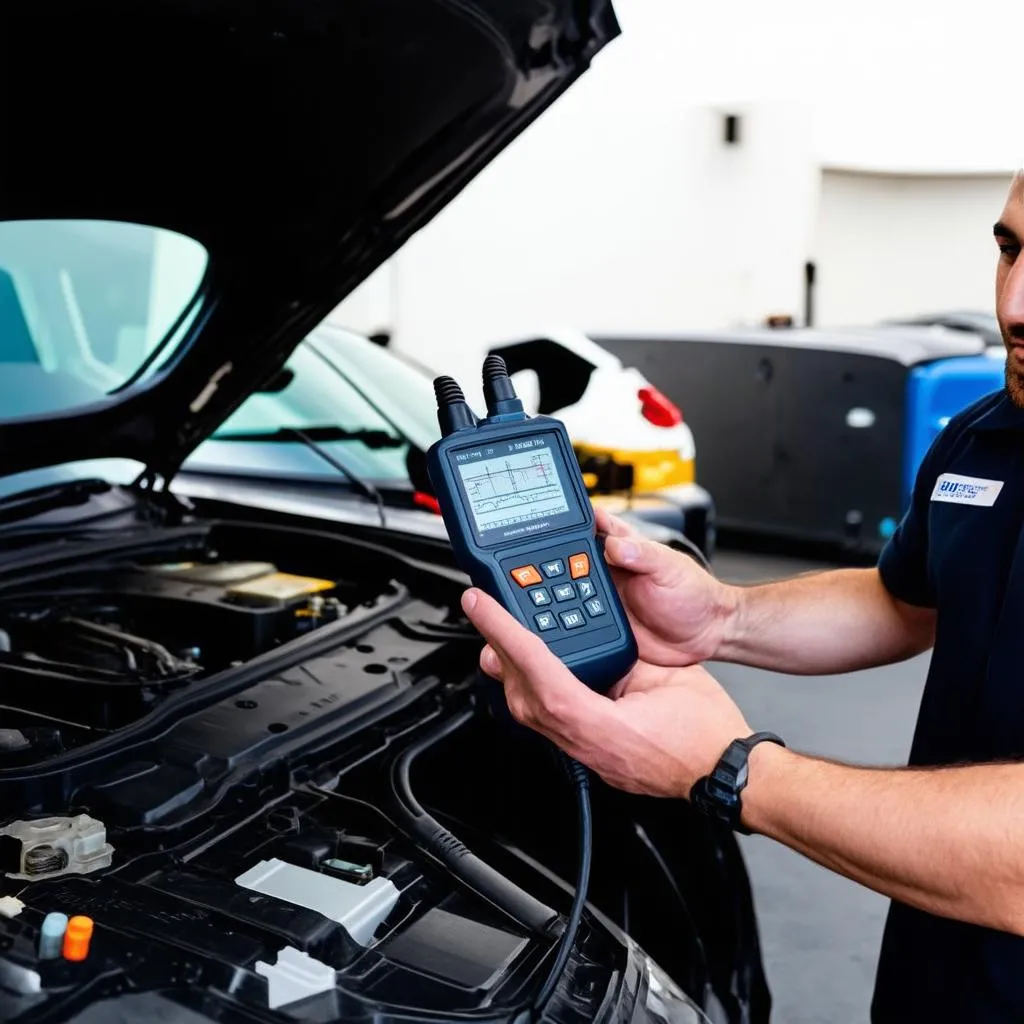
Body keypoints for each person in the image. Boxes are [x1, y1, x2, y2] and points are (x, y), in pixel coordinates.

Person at [460, 170, 1024, 1023]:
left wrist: (728, 770)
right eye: (1010, 247)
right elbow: (904, 602)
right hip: (936, 975)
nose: (1013, 305)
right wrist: (722, 617)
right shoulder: (991, 436)